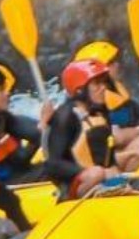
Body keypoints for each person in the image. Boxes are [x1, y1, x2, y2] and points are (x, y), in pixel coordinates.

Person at [0, 63, 52, 229]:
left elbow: (34, 132)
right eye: (0, 89)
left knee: (10, 201)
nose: (7, 93)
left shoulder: (2, 118)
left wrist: (46, 123)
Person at [73, 41, 139, 172]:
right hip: (94, 164)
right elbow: (113, 138)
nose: (117, 65)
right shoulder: (83, 104)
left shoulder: (118, 97)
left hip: (118, 156)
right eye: (110, 63)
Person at [44, 58, 121, 200]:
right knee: (97, 173)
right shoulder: (65, 116)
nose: (103, 87)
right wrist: (85, 172)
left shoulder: (100, 112)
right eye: (97, 84)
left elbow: (108, 151)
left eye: (103, 82)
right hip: (73, 185)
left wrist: (112, 170)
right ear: (79, 90)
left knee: (112, 171)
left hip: (100, 177)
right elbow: (52, 164)